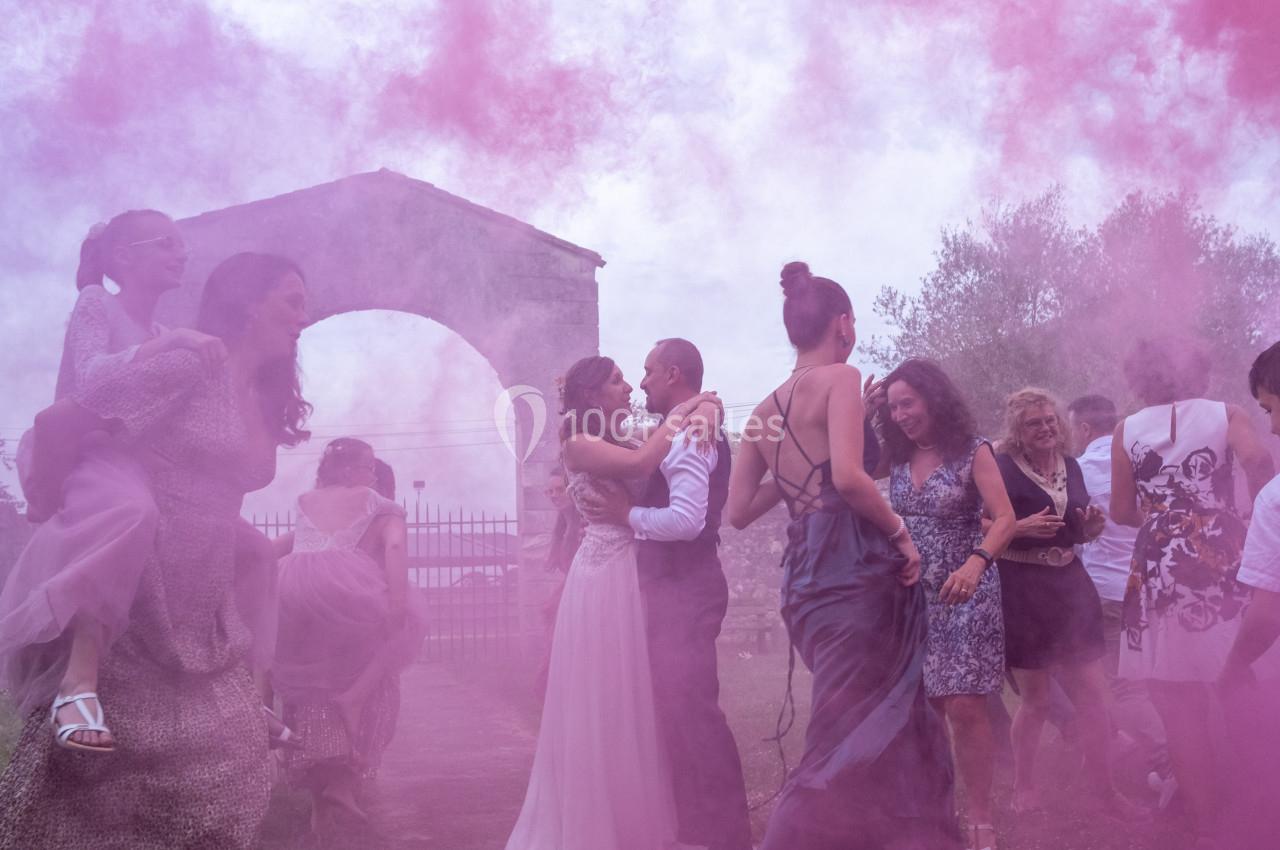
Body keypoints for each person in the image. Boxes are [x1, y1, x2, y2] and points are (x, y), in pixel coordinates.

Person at [0, 251, 310, 848]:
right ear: (249, 302)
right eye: (292, 301)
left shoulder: (267, 396)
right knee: (95, 789)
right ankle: (78, 693)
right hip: (137, 597)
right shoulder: (191, 366)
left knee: (229, 776)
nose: (304, 317)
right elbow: (60, 422)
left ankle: (254, 701)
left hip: (204, 604)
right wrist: (52, 506)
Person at [727, 262, 960, 850]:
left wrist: (803, 470)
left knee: (880, 712)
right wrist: (901, 533)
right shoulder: (842, 378)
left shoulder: (761, 412)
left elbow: (739, 510)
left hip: (805, 573)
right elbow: (853, 481)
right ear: (844, 323)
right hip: (851, 563)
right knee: (842, 729)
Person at [0, 210, 234, 753]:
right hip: (86, 455)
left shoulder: (161, 334)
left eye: (181, 245)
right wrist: (174, 343)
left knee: (233, 541)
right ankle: (77, 684)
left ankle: (243, 690)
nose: (181, 253)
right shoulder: (96, 303)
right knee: (133, 511)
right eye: (165, 243)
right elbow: (91, 378)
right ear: (124, 257)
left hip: (138, 462)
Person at [504, 355, 722, 850]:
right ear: (591, 395)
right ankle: (592, 825)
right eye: (617, 381)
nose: (628, 388)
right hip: (603, 575)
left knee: (631, 695)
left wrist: (708, 406)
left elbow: (660, 447)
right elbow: (644, 465)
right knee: (603, 693)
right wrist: (686, 410)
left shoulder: (620, 437)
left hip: (633, 568)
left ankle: (629, 820)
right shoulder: (579, 444)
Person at [579, 337, 752, 850]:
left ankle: (724, 837)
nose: (642, 382)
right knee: (672, 714)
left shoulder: (692, 435)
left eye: (649, 371)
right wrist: (709, 401)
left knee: (692, 713)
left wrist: (625, 515)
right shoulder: (675, 428)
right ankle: (694, 831)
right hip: (670, 590)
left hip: (686, 589)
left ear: (673, 374)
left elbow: (686, 522)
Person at [1111, 338, 1273, 848]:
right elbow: (1259, 460)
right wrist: (1248, 514)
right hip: (1221, 550)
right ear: (1198, 371)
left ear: (1139, 379)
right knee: (1236, 674)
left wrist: (1166, 518)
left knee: (1175, 695)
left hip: (1160, 561)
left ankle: (1207, 827)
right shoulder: (1226, 413)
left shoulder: (1125, 430)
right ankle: (1263, 805)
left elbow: (1120, 510)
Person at [879, 358, 1015, 850]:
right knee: (924, 708)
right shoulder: (893, 456)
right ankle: (934, 811)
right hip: (911, 596)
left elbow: (1004, 518)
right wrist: (859, 409)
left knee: (965, 705)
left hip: (964, 591)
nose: (900, 415)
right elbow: (842, 468)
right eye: (892, 408)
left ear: (933, 398)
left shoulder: (972, 451)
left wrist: (976, 564)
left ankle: (979, 813)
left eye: (907, 403)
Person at [994, 388, 1141, 818]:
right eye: (1033, 423)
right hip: (1022, 587)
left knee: (1094, 694)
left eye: (1050, 420)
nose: (1045, 428)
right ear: (1017, 430)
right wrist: (1018, 527)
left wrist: (1089, 530)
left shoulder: (1071, 465)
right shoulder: (1002, 467)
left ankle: (1104, 789)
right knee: (1037, 700)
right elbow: (977, 523)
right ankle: (1024, 787)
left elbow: (1072, 529)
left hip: (1071, 585)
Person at [273, 438, 425, 829]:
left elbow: (278, 548)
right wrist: (397, 602)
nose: (371, 477)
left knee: (312, 684)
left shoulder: (308, 502)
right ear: (351, 470)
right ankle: (353, 713)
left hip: (296, 591)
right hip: (347, 595)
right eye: (368, 468)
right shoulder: (378, 506)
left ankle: (325, 797)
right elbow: (395, 547)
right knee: (394, 638)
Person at [1066, 394, 1169, 793]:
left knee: (1125, 685)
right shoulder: (1147, 459)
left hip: (1108, 591)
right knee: (1165, 676)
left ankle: (1169, 764)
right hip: (1156, 583)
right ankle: (1194, 753)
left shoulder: (1078, 471)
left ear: (1084, 428)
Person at [1216, 340, 1280, 850]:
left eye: (1271, 409)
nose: (1273, 427)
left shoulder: (1276, 499)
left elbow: (1269, 612)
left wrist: (1233, 665)